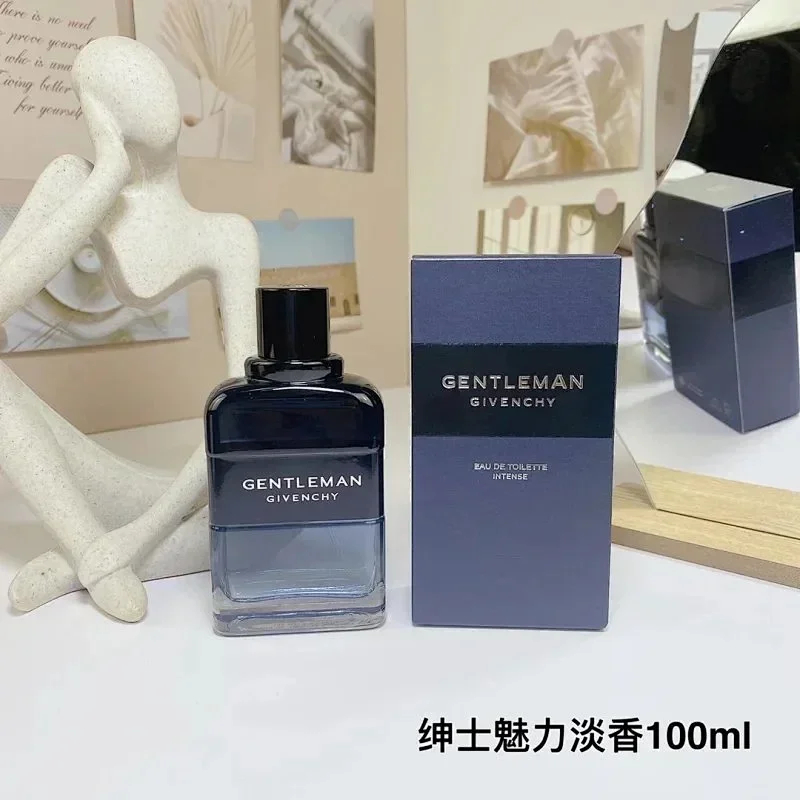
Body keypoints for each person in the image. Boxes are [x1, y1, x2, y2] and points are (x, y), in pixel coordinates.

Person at [0, 37, 260, 622]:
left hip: (197, 483)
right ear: (98, 110)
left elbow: (238, 411)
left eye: (149, 73)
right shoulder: (74, 182)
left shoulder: (226, 236)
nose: (148, 91)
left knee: (229, 526)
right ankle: (88, 547)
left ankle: (83, 560)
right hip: (96, 480)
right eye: (114, 83)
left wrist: (135, 538)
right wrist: (105, 179)